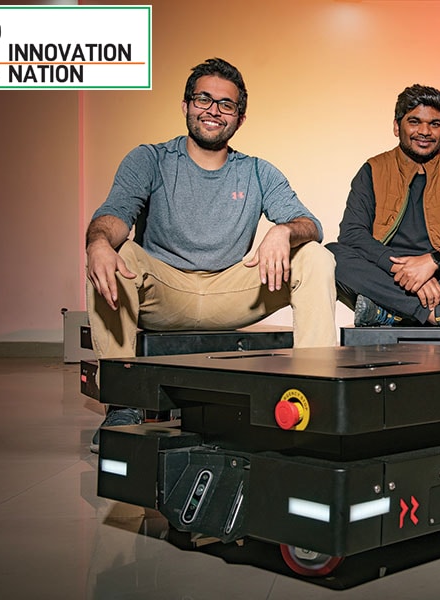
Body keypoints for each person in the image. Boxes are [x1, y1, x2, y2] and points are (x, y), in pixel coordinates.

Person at [85, 57, 337, 451]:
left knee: (315, 255)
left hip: (232, 290)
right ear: (185, 106)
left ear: (240, 117)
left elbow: (311, 224)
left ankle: (315, 394)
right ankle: (124, 405)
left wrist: (283, 231)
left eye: (226, 104)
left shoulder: (256, 171)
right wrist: (98, 243)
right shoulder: (150, 159)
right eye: (203, 99)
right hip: (165, 290)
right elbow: (114, 215)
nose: (213, 110)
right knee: (117, 251)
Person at [327, 84, 440, 327]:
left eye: (434, 124)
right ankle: (437, 314)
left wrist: (432, 262)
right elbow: (352, 234)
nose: (424, 131)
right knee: (331, 256)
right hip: (387, 273)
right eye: (414, 122)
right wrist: (405, 272)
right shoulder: (373, 169)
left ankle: (390, 311)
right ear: (396, 126)